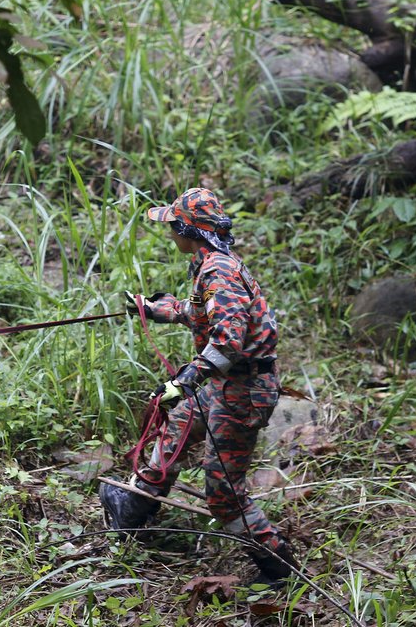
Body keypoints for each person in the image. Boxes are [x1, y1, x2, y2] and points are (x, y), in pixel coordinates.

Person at [100, 187, 298, 587]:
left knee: (223, 493)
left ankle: (279, 567)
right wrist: (154, 308)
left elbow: (228, 341)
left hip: (241, 390)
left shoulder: (219, 272)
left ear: (188, 229)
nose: (169, 233)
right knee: (178, 425)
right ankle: (133, 509)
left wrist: (184, 381)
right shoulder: (207, 263)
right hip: (223, 384)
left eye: (173, 226)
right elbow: (197, 311)